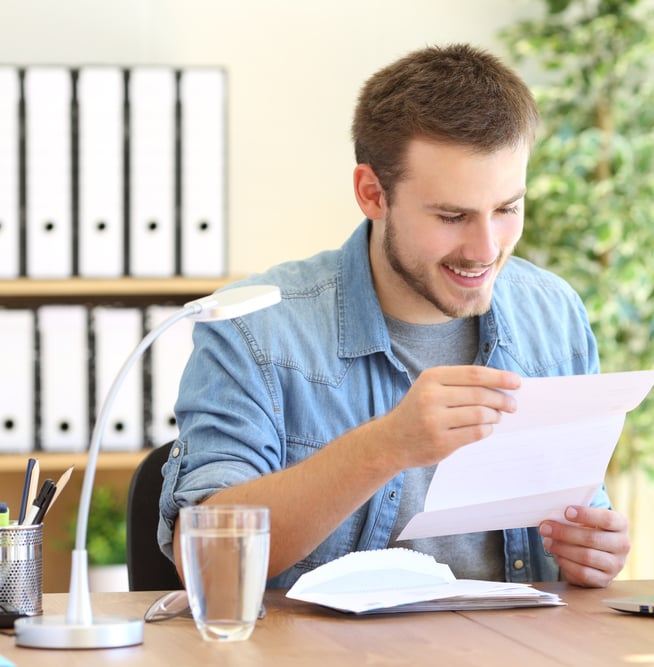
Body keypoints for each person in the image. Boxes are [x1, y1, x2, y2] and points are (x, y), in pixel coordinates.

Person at [157, 43, 630, 589]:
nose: (485, 249)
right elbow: (209, 563)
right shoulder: (254, 328)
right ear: (372, 194)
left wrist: (595, 549)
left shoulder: (553, 314)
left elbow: (581, 509)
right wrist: (386, 446)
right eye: (452, 216)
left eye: (507, 209)